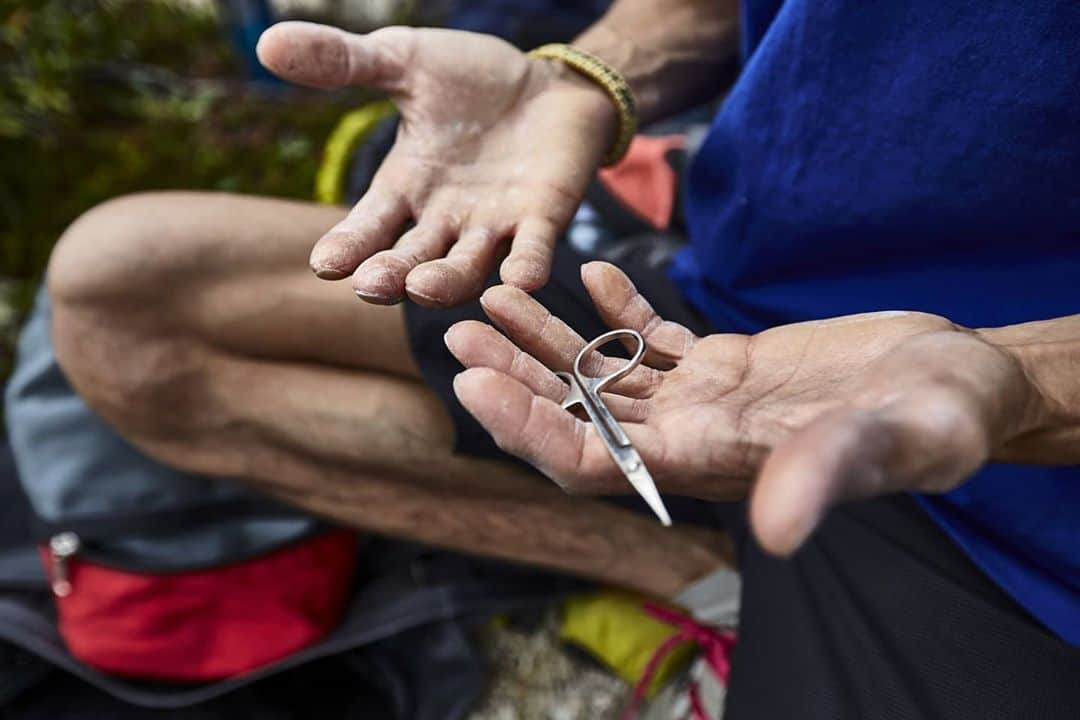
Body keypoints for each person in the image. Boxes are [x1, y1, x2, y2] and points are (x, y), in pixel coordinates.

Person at [33, 0, 1080, 716]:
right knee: (120, 292)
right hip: (726, 324)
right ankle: (698, 576)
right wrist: (581, 80)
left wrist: (1027, 382)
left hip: (1024, 528)